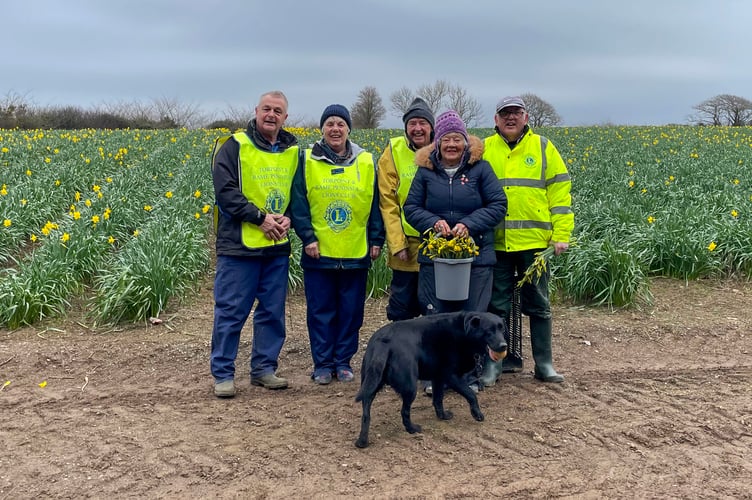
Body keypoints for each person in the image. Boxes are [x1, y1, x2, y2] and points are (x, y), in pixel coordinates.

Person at [404, 110, 507, 392]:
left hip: (476, 257)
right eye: (446, 139)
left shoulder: (481, 169)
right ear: (437, 143)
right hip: (435, 258)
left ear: (466, 142)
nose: (452, 145)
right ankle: (435, 376)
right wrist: (432, 223)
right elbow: (411, 208)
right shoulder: (425, 172)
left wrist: (468, 225)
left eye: (457, 139)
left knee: (472, 317)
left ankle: (468, 376)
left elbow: (498, 204)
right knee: (436, 316)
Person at [209, 90, 302, 398]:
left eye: (277, 111)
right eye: (266, 109)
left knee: (272, 312)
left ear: (285, 117)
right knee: (232, 311)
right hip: (239, 246)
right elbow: (226, 192)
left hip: (276, 247)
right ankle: (223, 373)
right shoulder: (234, 146)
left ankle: (264, 369)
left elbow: (297, 192)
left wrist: (287, 217)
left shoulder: (293, 151)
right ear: (256, 111)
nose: (271, 115)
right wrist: (260, 218)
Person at [481, 95, 574, 385]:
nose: (511, 118)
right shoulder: (484, 148)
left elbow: (560, 193)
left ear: (526, 117)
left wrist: (561, 235)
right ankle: (494, 365)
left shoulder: (543, 147)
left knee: (539, 304)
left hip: (535, 243)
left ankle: (543, 364)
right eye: (504, 113)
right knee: (496, 307)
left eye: (516, 113)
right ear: (495, 119)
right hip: (497, 243)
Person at [290, 104, 385, 385]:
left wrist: (376, 239)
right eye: (330, 123)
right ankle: (322, 363)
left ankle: (343, 361)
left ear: (348, 129)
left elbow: (375, 204)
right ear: (322, 129)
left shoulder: (366, 161)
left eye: (340, 124)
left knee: (351, 310)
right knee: (321, 311)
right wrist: (307, 237)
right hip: (319, 252)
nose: (335, 129)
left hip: (356, 251)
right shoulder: (307, 159)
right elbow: (298, 204)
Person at [377, 97, 435, 321]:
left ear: (431, 126)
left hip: (439, 244)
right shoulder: (394, 150)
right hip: (406, 246)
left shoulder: (446, 147)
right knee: (402, 309)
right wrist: (397, 243)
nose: (418, 128)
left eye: (423, 123)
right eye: (412, 123)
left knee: (435, 309)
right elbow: (387, 201)